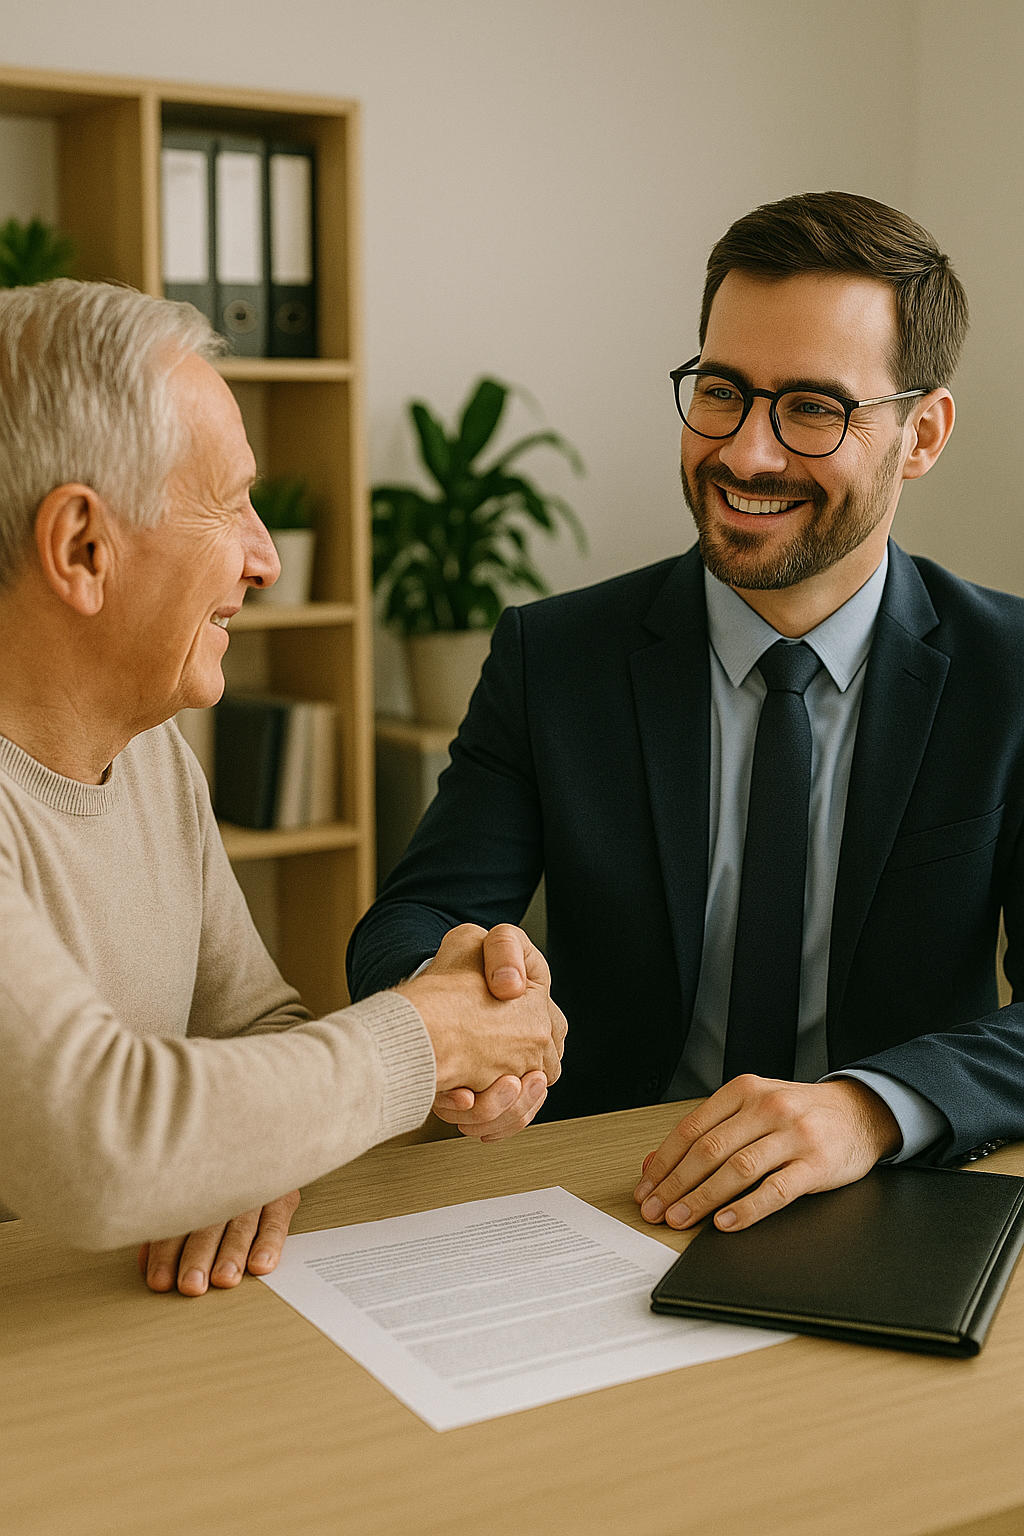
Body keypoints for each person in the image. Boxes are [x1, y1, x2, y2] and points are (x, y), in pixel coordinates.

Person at [348, 190, 1024, 1236]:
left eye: (812, 408)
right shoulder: (553, 657)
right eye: (721, 391)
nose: (746, 455)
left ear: (921, 433)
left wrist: (869, 1111)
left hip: (894, 1196)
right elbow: (410, 919)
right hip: (607, 1190)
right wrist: (448, 995)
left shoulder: (1009, 671)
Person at [0, 279, 565, 1295]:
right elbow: (102, 1144)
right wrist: (426, 1041)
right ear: (83, 548)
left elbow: (258, 1030)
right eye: (227, 504)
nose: (266, 557)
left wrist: (425, 1066)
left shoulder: (159, 757)